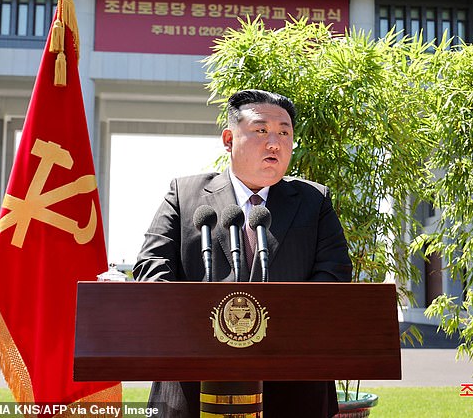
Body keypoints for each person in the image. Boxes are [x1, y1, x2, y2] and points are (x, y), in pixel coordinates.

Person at [133, 89, 352, 417]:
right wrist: (198, 327)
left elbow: (333, 277)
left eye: (284, 132)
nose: (275, 143)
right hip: (192, 384)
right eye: (261, 130)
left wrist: (274, 333)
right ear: (228, 138)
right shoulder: (185, 194)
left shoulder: (313, 201)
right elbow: (152, 266)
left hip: (292, 387)